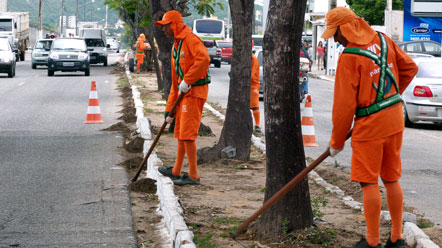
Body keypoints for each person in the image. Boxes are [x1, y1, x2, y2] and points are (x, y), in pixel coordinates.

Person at [322, 7, 418, 248]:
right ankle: (397, 238)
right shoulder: (384, 41)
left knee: (369, 182)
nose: (335, 40)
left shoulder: (350, 56)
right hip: (395, 119)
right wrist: (389, 98)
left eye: (336, 34)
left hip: (370, 127)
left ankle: (372, 242)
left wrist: (336, 142)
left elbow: (344, 107)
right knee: (392, 178)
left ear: (346, 29)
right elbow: (410, 68)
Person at [155, 10, 210, 186]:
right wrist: (169, 110)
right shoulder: (176, 47)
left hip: (194, 93)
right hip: (183, 94)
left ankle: (193, 176)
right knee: (180, 132)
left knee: (187, 135)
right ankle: (176, 170)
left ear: (174, 25)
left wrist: (188, 80)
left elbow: (204, 59)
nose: (163, 30)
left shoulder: (191, 40)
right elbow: (174, 82)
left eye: (165, 26)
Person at [250, 40, 261, 133]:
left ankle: (257, 125)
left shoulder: (253, 58)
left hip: (253, 85)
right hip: (247, 85)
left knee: (254, 106)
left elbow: (251, 74)